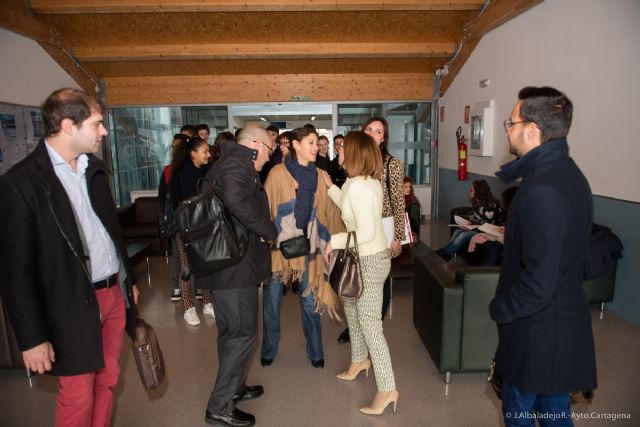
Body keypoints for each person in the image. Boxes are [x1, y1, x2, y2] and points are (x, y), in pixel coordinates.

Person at [0, 88, 140, 426]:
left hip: (112, 295)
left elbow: (111, 235)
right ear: (67, 126)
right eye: (97, 124)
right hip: (71, 304)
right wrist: (32, 339)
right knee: (78, 394)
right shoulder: (21, 184)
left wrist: (127, 281)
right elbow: (16, 272)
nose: (104, 131)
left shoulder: (94, 170)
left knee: (107, 383)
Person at [490, 87, 596, 426]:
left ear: (532, 130)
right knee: (554, 413)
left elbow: (539, 282)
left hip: (538, 334)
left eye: (511, 122)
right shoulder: (563, 172)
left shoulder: (544, 188)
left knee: (522, 412)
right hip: (554, 326)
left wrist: (501, 308)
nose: (507, 129)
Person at [197, 124, 277, 427]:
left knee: (232, 334)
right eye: (269, 149)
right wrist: (268, 230)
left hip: (229, 266)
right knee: (241, 335)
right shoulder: (235, 164)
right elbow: (237, 200)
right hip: (233, 269)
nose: (269, 157)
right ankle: (219, 406)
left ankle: (235, 388)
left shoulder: (233, 162)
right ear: (255, 144)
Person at [322, 131, 399, 415]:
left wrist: (333, 241)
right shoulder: (362, 182)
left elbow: (364, 232)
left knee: (370, 326)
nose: (338, 151)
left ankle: (388, 388)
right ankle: (358, 361)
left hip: (369, 259)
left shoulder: (359, 187)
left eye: (343, 148)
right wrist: (331, 187)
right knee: (352, 309)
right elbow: (349, 206)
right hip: (368, 256)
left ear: (354, 153)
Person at [261, 126, 344, 369]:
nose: (316, 147)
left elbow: (329, 210)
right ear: (295, 145)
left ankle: (316, 351)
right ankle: (269, 349)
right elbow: (267, 210)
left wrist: (332, 239)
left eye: (316, 143)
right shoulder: (276, 173)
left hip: (310, 246)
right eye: (310, 143)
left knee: (310, 300)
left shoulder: (319, 175)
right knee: (272, 301)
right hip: (280, 248)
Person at [337, 117, 405, 344]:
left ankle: (375, 324)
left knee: (378, 282)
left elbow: (398, 201)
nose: (372, 134)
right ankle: (361, 327)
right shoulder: (357, 161)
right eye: (369, 129)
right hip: (363, 227)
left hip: (383, 226)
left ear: (383, 138)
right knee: (359, 281)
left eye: (378, 131)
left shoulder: (391, 164)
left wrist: (398, 236)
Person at [168, 136, 215, 326]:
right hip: (185, 227)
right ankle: (188, 308)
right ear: (193, 153)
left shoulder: (206, 171)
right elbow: (178, 203)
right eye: (205, 151)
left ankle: (207, 303)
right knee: (186, 267)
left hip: (204, 225)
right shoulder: (180, 173)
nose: (208, 155)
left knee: (205, 265)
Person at [436, 179, 503, 261]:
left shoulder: (490, 204)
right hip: (480, 227)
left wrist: (470, 224)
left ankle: (445, 253)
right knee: (457, 231)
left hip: (490, 230)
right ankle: (446, 252)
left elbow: (485, 223)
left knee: (464, 235)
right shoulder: (478, 202)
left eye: (471, 189)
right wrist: (468, 222)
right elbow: (477, 217)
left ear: (478, 191)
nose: (469, 191)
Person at [158, 133, 189, 301]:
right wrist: (166, 214)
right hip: (175, 220)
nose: (174, 150)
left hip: (192, 221)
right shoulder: (169, 170)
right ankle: (176, 286)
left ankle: (197, 287)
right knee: (178, 255)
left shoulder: (193, 170)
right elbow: (162, 196)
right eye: (173, 147)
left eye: (176, 147)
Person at [403, 176, 421, 241]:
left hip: (409, 226)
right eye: (405, 187)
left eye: (409, 187)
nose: (408, 189)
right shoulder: (398, 199)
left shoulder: (411, 199)